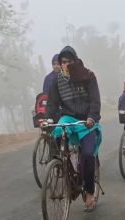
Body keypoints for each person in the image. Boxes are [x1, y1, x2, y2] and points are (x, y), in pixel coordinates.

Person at [44, 46, 101, 211]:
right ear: (60, 64)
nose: (66, 65)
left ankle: (89, 191)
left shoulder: (88, 76)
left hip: (86, 121)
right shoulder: (57, 80)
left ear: (76, 61)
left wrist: (91, 117)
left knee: (88, 154)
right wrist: (47, 119)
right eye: (63, 62)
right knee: (56, 135)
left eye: (69, 61)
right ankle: (60, 164)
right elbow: (52, 104)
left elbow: (95, 101)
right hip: (68, 118)